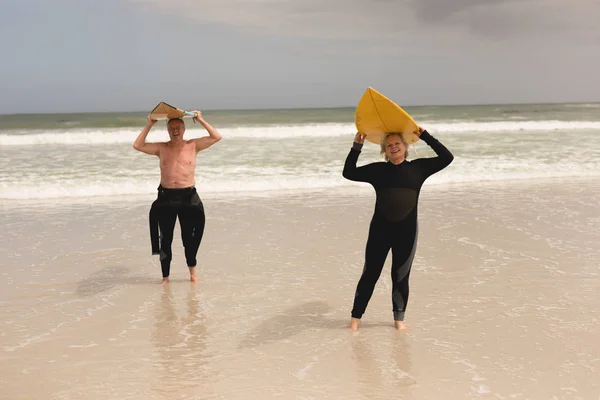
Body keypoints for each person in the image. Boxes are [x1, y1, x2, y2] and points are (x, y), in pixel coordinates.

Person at [342, 127, 453, 331]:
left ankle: (398, 320)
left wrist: (425, 136)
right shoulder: (377, 170)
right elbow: (348, 173)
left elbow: (447, 157)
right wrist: (357, 147)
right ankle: (355, 319)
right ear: (384, 150)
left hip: (407, 232)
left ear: (405, 146)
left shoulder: (419, 168)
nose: (393, 147)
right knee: (370, 273)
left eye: (397, 144)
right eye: (389, 145)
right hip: (379, 231)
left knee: (401, 275)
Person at [133, 111, 222, 284]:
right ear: (167, 130)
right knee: (165, 239)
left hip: (188, 197)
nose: (175, 131)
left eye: (178, 128)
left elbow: (216, 136)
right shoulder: (161, 148)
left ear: (184, 129)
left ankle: (192, 273)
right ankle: (165, 277)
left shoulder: (193, 145)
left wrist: (201, 119)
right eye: (172, 128)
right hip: (166, 198)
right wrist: (150, 123)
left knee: (188, 238)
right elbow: (137, 145)